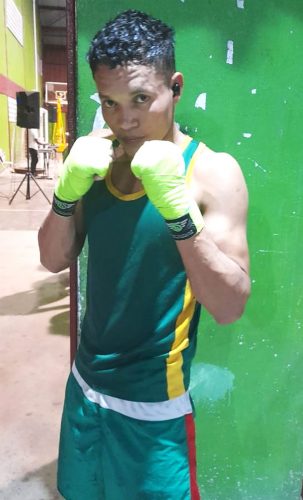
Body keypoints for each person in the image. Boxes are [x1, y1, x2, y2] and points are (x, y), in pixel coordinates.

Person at [38, 9, 250, 500]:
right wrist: (66, 192)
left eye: (140, 98)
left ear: (174, 87)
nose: (125, 119)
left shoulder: (213, 173)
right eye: (109, 103)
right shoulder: (94, 158)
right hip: (83, 389)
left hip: (154, 406)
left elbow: (230, 305)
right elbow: (52, 260)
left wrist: (178, 211)